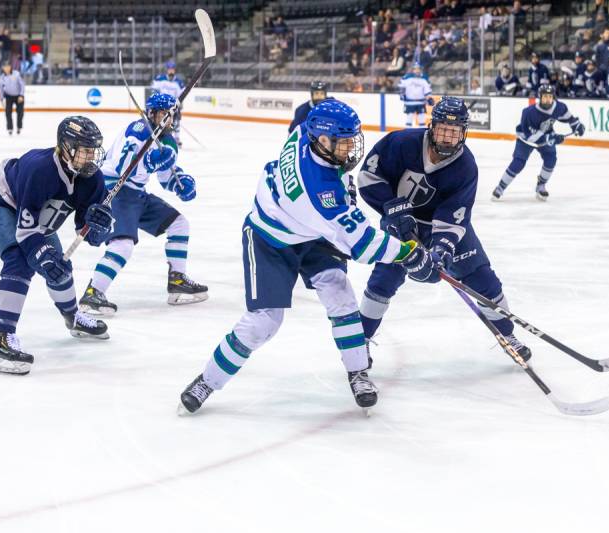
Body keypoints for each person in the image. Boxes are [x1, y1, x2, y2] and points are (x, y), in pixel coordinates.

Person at [177, 100, 436, 414]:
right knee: (264, 321)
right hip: (269, 239)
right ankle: (208, 380)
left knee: (340, 294)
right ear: (323, 141)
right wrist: (407, 252)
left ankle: (358, 372)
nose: (350, 149)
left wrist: (346, 189)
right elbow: (364, 245)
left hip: (308, 231)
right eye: (343, 143)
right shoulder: (320, 192)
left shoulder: (304, 132)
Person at [357, 97, 532, 364]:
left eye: (454, 131)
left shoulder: (465, 166)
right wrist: (391, 208)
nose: (448, 137)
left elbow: (454, 216)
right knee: (383, 280)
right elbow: (369, 178)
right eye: (443, 129)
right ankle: (360, 343)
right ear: (432, 126)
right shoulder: (401, 143)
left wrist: (440, 249)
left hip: (443, 228)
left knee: (483, 281)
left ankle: (508, 336)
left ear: (464, 133)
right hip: (401, 225)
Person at [0, 116, 114, 375]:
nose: (91, 157)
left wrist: (101, 226)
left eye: (93, 150)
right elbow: (26, 230)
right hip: (3, 204)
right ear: (66, 148)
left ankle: (73, 318)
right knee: (20, 261)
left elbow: (92, 238)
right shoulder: (39, 169)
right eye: (84, 150)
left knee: (59, 267)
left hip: (39, 215)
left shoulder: (92, 179)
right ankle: (1, 342)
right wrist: (42, 255)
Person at [80, 93, 207, 315]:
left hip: (137, 194)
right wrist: (148, 161)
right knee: (122, 244)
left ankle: (177, 280)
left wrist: (181, 183)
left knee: (179, 224)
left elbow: (167, 176)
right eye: (164, 115)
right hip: (114, 189)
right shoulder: (138, 131)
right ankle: (93, 293)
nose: (169, 120)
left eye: (171, 115)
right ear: (152, 113)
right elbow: (123, 168)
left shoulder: (168, 141)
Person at [492, 84, 585, 201]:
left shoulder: (559, 107)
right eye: (545, 96)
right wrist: (551, 138)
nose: (548, 99)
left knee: (551, 159)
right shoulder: (528, 113)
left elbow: (570, 119)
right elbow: (531, 138)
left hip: (546, 135)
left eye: (550, 97)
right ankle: (500, 187)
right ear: (540, 97)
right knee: (518, 163)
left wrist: (577, 126)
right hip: (525, 139)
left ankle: (541, 186)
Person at [151, 60, 185, 145]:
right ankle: (161, 136)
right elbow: (153, 89)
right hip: (162, 106)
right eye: (169, 69)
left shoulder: (179, 82)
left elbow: (182, 95)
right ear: (167, 69)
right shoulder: (160, 79)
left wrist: (179, 105)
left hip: (173, 106)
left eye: (172, 69)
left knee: (176, 122)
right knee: (161, 122)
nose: (171, 71)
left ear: (174, 70)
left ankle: (176, 138)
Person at [0, 63, 25, 135]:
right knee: (8, 112)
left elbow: (22, 85)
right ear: (3, 68)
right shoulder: (2, 77)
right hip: (8, 96)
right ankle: (10, 128)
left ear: (10, 67)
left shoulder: (16, 74)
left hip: (18, 96)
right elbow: (1, 89)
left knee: (20, 112)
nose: (6, 68)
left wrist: (21, 95)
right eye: (4, 67)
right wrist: (1, 99)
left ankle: (19, 127)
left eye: (7, 67)